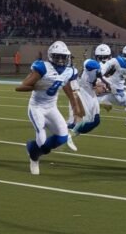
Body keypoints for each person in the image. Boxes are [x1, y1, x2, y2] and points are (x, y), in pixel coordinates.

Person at [16, 41, 84, 175]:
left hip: (51, 107)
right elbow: (20, 87)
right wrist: (37, 86)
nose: (60, 60)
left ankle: (32, 150)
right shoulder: (43, 68)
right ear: (51, 56)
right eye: (57, 56)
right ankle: (34, 157)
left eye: (63, 57)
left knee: (62, 137)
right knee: (42, 142)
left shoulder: (69, 71)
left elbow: (69, 90)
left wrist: (76, 109)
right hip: (37, 107)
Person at [67, 44, 110, 149]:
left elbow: (99, 85)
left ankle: (69, 132)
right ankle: (66, 133)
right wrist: (100, 74)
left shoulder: (104, 67)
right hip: (83, 93)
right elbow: (89, 64)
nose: (105, 59)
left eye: (106, 57)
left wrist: (105, 83)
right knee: (81, 121)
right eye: (103, 57)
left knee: (95, 120)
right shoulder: (92, 64)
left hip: (91, 93)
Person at [99, 43, 126, 126]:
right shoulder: (121, 61)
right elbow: (110, 63)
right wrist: (102, 72)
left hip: (118, 87)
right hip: (114, 88)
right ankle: (99, 101)